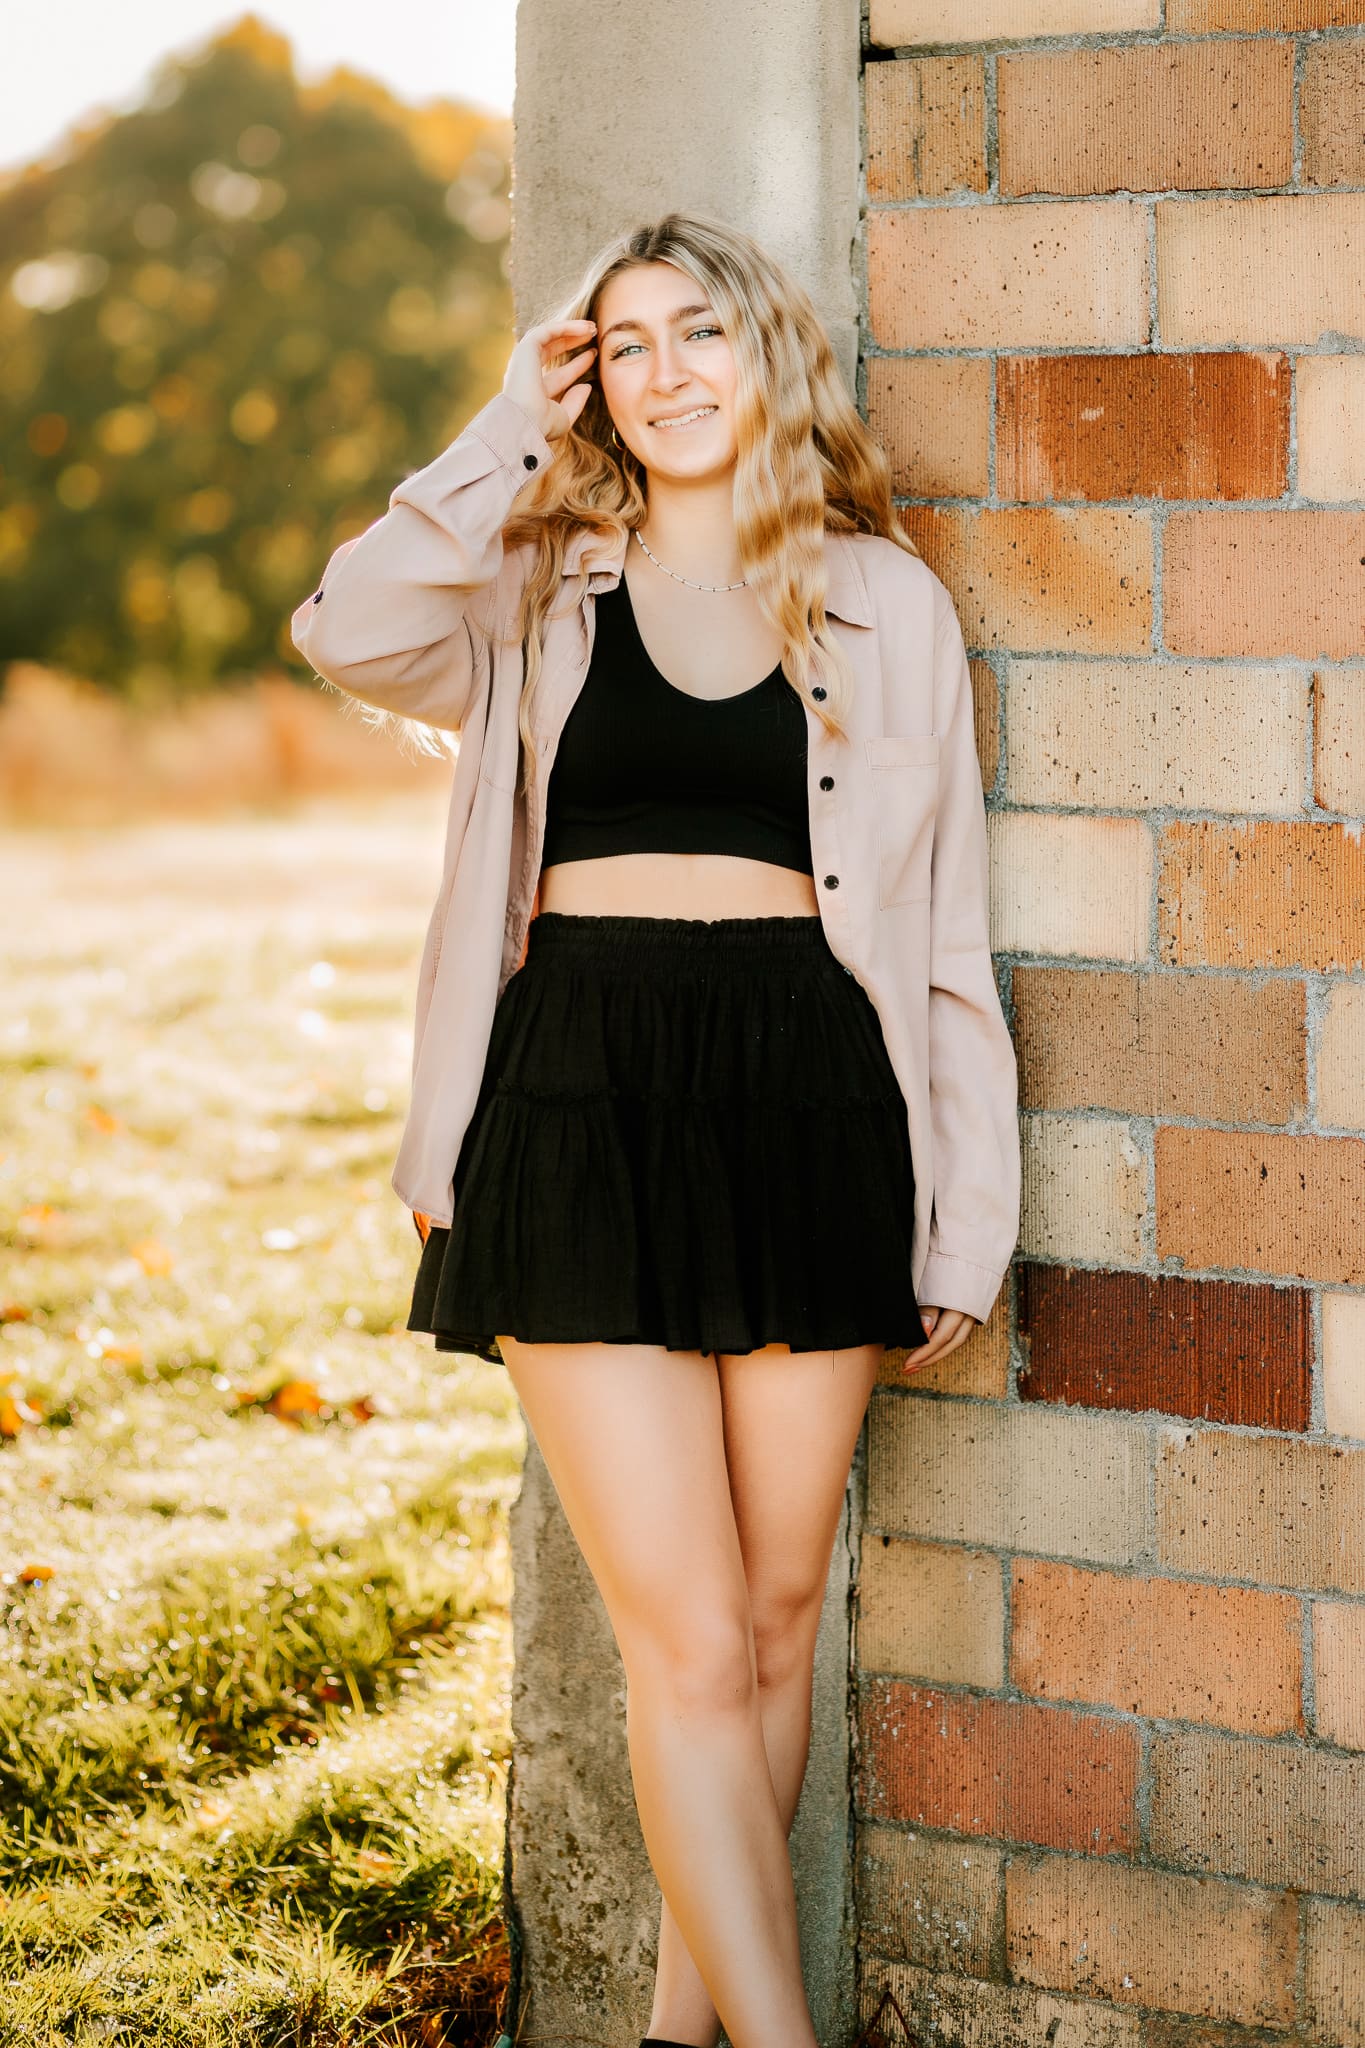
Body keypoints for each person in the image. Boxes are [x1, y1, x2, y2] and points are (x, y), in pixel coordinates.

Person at [291, 211, 1019, 2048]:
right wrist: (498, 433)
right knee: (685, 1641)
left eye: (703, 333)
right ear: (589, 381)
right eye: (627, 346)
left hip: (811, 1099)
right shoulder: (536, 581)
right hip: (578, 1092)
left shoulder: (886, 602)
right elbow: (346, 627)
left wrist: (962, 1213)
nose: (670, 371)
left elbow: (942, 942)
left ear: (766, 355)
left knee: (772, 1625)